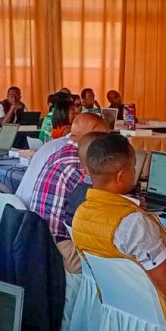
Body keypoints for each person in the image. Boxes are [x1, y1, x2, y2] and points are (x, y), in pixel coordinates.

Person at [72, 133, 166, 331]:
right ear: (122, 176)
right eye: (134, 167)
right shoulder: (132, 223)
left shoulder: (82, 213)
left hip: (124, 311)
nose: (136, 172)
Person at [29, 113, 109, 273]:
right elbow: (98, 213)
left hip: (41, 242)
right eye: (104, 138)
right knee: (124, 261)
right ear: (91, 137)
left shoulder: (61, 153)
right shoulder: (80, 164)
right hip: (61, 249)